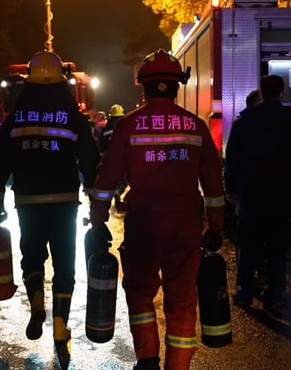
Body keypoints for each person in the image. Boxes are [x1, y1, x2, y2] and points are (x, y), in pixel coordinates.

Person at [89, 49, 225, 370]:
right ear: (177, 85)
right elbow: (213, 184)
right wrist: (216, 226)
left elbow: (106, 179)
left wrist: (98, 221)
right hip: (186, 226)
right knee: (181, 301)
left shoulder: (128, 126)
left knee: (139, 292)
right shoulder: (195, 126)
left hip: (144, 225)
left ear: (143, 86)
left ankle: (147, 360)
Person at [0, 50, 99, 362]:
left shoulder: (17, 118)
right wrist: (95, 194)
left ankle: (37, 302)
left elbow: (0, 164)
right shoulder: (70, 115)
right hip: (64, 202)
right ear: (62, 80)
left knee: (32, 256)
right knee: (65, 264)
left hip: (27, 201)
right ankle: (60, 326)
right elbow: (88, 155)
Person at [224, 74, 291, 313]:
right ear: (281, 92)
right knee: (277, 247)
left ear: (261, 92)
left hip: (250, 193)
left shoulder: (244, 120)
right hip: (280, 194)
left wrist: (231, 189)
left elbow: (232, 158)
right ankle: (275, 294)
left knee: (248, 244)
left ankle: (244, 291)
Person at [98, 104, 127, 208]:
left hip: (109, 160)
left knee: (111, 181)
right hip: (124, 159)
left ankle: (112, 198)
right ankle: (118, 194)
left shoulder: (106, 128)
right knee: (124, 179)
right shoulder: (126, 124)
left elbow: (100, 145)